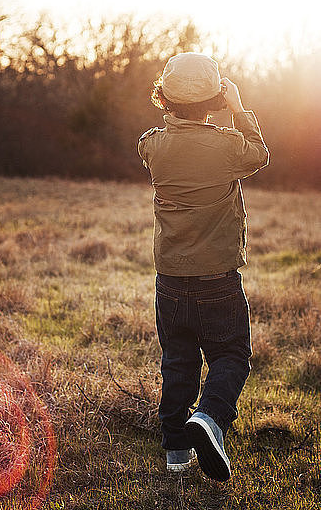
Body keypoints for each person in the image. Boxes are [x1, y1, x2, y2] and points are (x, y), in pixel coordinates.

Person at [137, 52, 269, 482]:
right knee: (231, 354)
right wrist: (238, 108)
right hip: (218, 279)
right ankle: (210, 417)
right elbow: (259, 155)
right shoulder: (228, 146)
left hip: (170, 280)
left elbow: (165, 140)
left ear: (164, 98)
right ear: (213, 98)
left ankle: (176, 450)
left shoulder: (151, 145)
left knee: (178, 360)